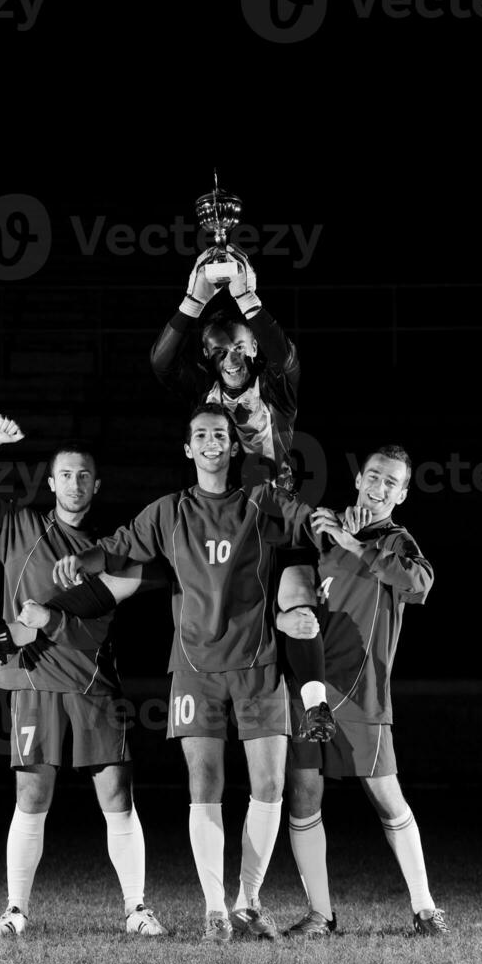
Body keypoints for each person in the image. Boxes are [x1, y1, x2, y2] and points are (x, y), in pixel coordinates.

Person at [52, 403, 320, 943]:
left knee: (270, 786)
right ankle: (215, 910)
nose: (211, 442)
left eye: (220, 434)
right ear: (188, 448)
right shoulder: (169, 512)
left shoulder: (259, 503)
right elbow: (119, 546)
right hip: (196, 669)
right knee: (206, 785)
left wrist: (325, 523)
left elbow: (303, 518)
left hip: (259, 662)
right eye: (201, 435)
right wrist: (81, 561)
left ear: (233, 445)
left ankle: (248, 901)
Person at [0, 414, 168, 939]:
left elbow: (99, 628)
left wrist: (51, 620)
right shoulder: (19, 529)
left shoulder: (112, 549)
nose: (74, 483)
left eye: (83, 475)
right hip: (33, 682)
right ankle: (15, 911)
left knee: (118, 797)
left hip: (93, 681)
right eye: (65, 475)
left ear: (97, 485)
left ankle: (136, 909)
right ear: (50, 484)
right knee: (32, 798)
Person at [150, 248, 334, 742]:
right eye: (215, 350)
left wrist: (247, 298)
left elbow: (287, 353)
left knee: (297, 607)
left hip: (273, 515)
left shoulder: (277, 387)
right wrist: (193, 300)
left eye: (237, 348)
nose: (227, 359)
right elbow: (160, 361)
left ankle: (316, 706)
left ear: (253, 349)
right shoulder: (201, 393)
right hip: (221, 522)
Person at [278, 446, 448, 938]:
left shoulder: (398, 541)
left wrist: (355, 545)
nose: (379, 487)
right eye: (373, 476)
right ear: (358, 479)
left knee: (386, 796)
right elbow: (286, 581)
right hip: (310, 690)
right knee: (304, 793)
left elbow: (421, 583)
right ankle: (321, 913)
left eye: (391, 482)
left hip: (364, 692)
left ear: (403, 494)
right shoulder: (321, 530)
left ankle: (425, 908)